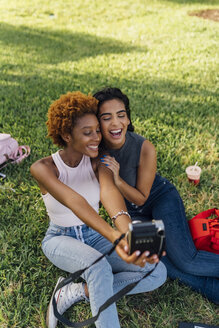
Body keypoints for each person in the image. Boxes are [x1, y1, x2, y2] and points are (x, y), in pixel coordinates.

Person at [30, 91, 167, 328]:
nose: (96, 137)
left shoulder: (99, 160)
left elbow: (112, 199)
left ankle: (75, 291)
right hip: (60, 238)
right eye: (87, 133)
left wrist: (128, 237)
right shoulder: (43, 168)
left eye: (96, 130)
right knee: (99, 267)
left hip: (93, 236)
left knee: (156, 270)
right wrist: (115, 237)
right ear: (66, 135)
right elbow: (75, 201)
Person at [93, 87, 219, 305]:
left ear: (128, 118)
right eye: (106, 118)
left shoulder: (145, 148)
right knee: (160, 263)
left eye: (121, 115)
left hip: (159, 198)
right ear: (97, 123)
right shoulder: (95, 151)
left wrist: (118, 180)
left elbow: (141, 198)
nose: (115, 123)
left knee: (186, 260)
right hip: (131, 214)